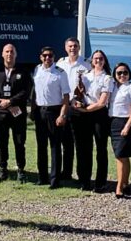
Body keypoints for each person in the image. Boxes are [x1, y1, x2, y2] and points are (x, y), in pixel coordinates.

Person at [0, 43, 31, 182]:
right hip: (1, 114)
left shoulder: (23, 72)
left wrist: (11, 102)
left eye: (12, 52)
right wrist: (5, 104)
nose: (9, 54)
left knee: (19, 142)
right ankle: (3, 169)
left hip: (18, 113)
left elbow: (26, 91)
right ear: (2, 54)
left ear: (15, 54)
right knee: (2, 142)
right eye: (6, 51)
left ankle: (21, 170)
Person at [72, 50, 114, 192]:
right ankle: (85, 180)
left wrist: (86, 109)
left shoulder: (108, 78)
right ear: (92, 61)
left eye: (101, 58)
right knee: (85, 148)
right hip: (84, 115)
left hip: (99, 115)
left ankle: (101, 182)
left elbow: (102, 102)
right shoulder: (85, 76)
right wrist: (79, 104)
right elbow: (79, 94)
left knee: (101, 149)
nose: (98, 61)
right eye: (95, 58)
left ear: (104, 60)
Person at [31, 46, 71, 188]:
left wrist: (62, 115)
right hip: (40, 112)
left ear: (54, 57)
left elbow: (66, 97)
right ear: (40, 57)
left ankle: (54, 180)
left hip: (55, 112)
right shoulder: (37, 70)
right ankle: (42, 177)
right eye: (45, 56)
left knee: (55, 146)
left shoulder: (60, 73)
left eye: (50, 56)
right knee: (41, 146)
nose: (47, 58)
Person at [56, 37, 89, 181]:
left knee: (80, 144)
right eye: (70, 46)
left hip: (78, 108)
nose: (72, 49)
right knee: (66, 143)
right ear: (65, 48)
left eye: (75, 46)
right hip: (63, 106)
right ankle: (66, 173)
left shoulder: (86, 65)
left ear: (79, 47)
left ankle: (82, 175)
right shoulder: (60, 63)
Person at [110, 62, 131, 198]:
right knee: (123, 156)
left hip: (125, 122)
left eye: (125, 72)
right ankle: (126, 183)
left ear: (129, 73)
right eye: (119, 73)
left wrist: (127, 126)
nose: (122, 75)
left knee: (120, 155)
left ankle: (119, 187)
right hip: (113, 122)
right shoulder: (113, 86)